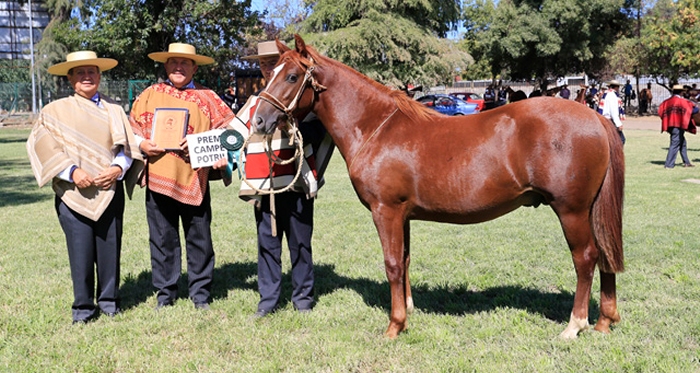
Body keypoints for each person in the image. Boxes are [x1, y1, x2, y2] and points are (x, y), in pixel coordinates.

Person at [215, 40, 334, 317]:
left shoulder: (302, 100)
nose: (268, 68)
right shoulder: (256, 102)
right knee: (267, 244)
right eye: (264, 63)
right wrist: (221, 154)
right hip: (264, 187)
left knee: (300, 242)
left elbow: (322, 133)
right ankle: (268, 300)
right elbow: (234, 134)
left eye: (273, 62)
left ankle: (302, 298)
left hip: (297, 182)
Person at [26, 51, 144, 324]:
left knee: (109, 249)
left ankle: (109, 302)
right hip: (73, 195)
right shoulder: (54, 111)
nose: (87, 76)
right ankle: (82, 308)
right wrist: (72, 172)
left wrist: (117, 169)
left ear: (100, 75)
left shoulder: (115, 110)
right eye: (80, 73)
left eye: (92, 71)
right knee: (80, 251)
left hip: (109, 192)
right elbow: (43, 143)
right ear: (70, 79)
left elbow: (127, 147)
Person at [129, 43, 235, 310]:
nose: (178, 67)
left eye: (184, 63)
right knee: (162, 239)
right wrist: (142, 144)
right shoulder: (149, 95)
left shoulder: (209, 98)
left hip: (194, 179)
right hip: (158, 178)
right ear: (166, 65)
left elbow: (232, 132)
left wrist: (204, 142)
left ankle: (200, 294)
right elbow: (129, 129)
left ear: (194, 67)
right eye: (173, 62)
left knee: (200, 238)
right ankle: (166, 294)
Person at [659, 84, 698, 169]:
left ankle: (686, 162)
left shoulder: (666, 101)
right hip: (678, 125)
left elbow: (660, 111)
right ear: (681, 92)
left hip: (669, 125)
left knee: (682, 143)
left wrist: (667, 119)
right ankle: (669, 164)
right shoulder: (682, 101)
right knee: (675, 143)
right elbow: (694, 110)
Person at [597, 80, 626, 144]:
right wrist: (618, 124)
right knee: (621, 140)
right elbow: (613, 111)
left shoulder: (606, 94)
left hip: (604, 119)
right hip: (609, 121)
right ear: (616, 87)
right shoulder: (612, 95)